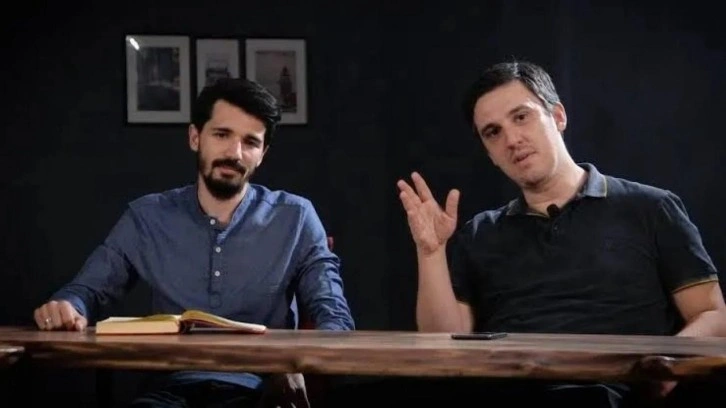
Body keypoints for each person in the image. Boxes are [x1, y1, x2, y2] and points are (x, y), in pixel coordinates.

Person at [396, 60, 726, 407]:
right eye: (493, 132)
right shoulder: (481, 233)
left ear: (558, 116)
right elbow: (443, 345)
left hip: (616, 393)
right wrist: (431, 253)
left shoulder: (650, 208)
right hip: (508, 391)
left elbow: (713, 315)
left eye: (521, 117)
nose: (512, 140)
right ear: (489, 153)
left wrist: (668, 365)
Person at [33, 77, 355, 407]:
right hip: (169, 389)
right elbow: (87, 291)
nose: (234, 153)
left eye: (250, 142)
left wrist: (296, 364)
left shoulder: (296, 217)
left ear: (263, 154)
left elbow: (333, 313)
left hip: (260, 389)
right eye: (222, 134)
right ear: (195, 137)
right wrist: (67, 307)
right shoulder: (147, 217)